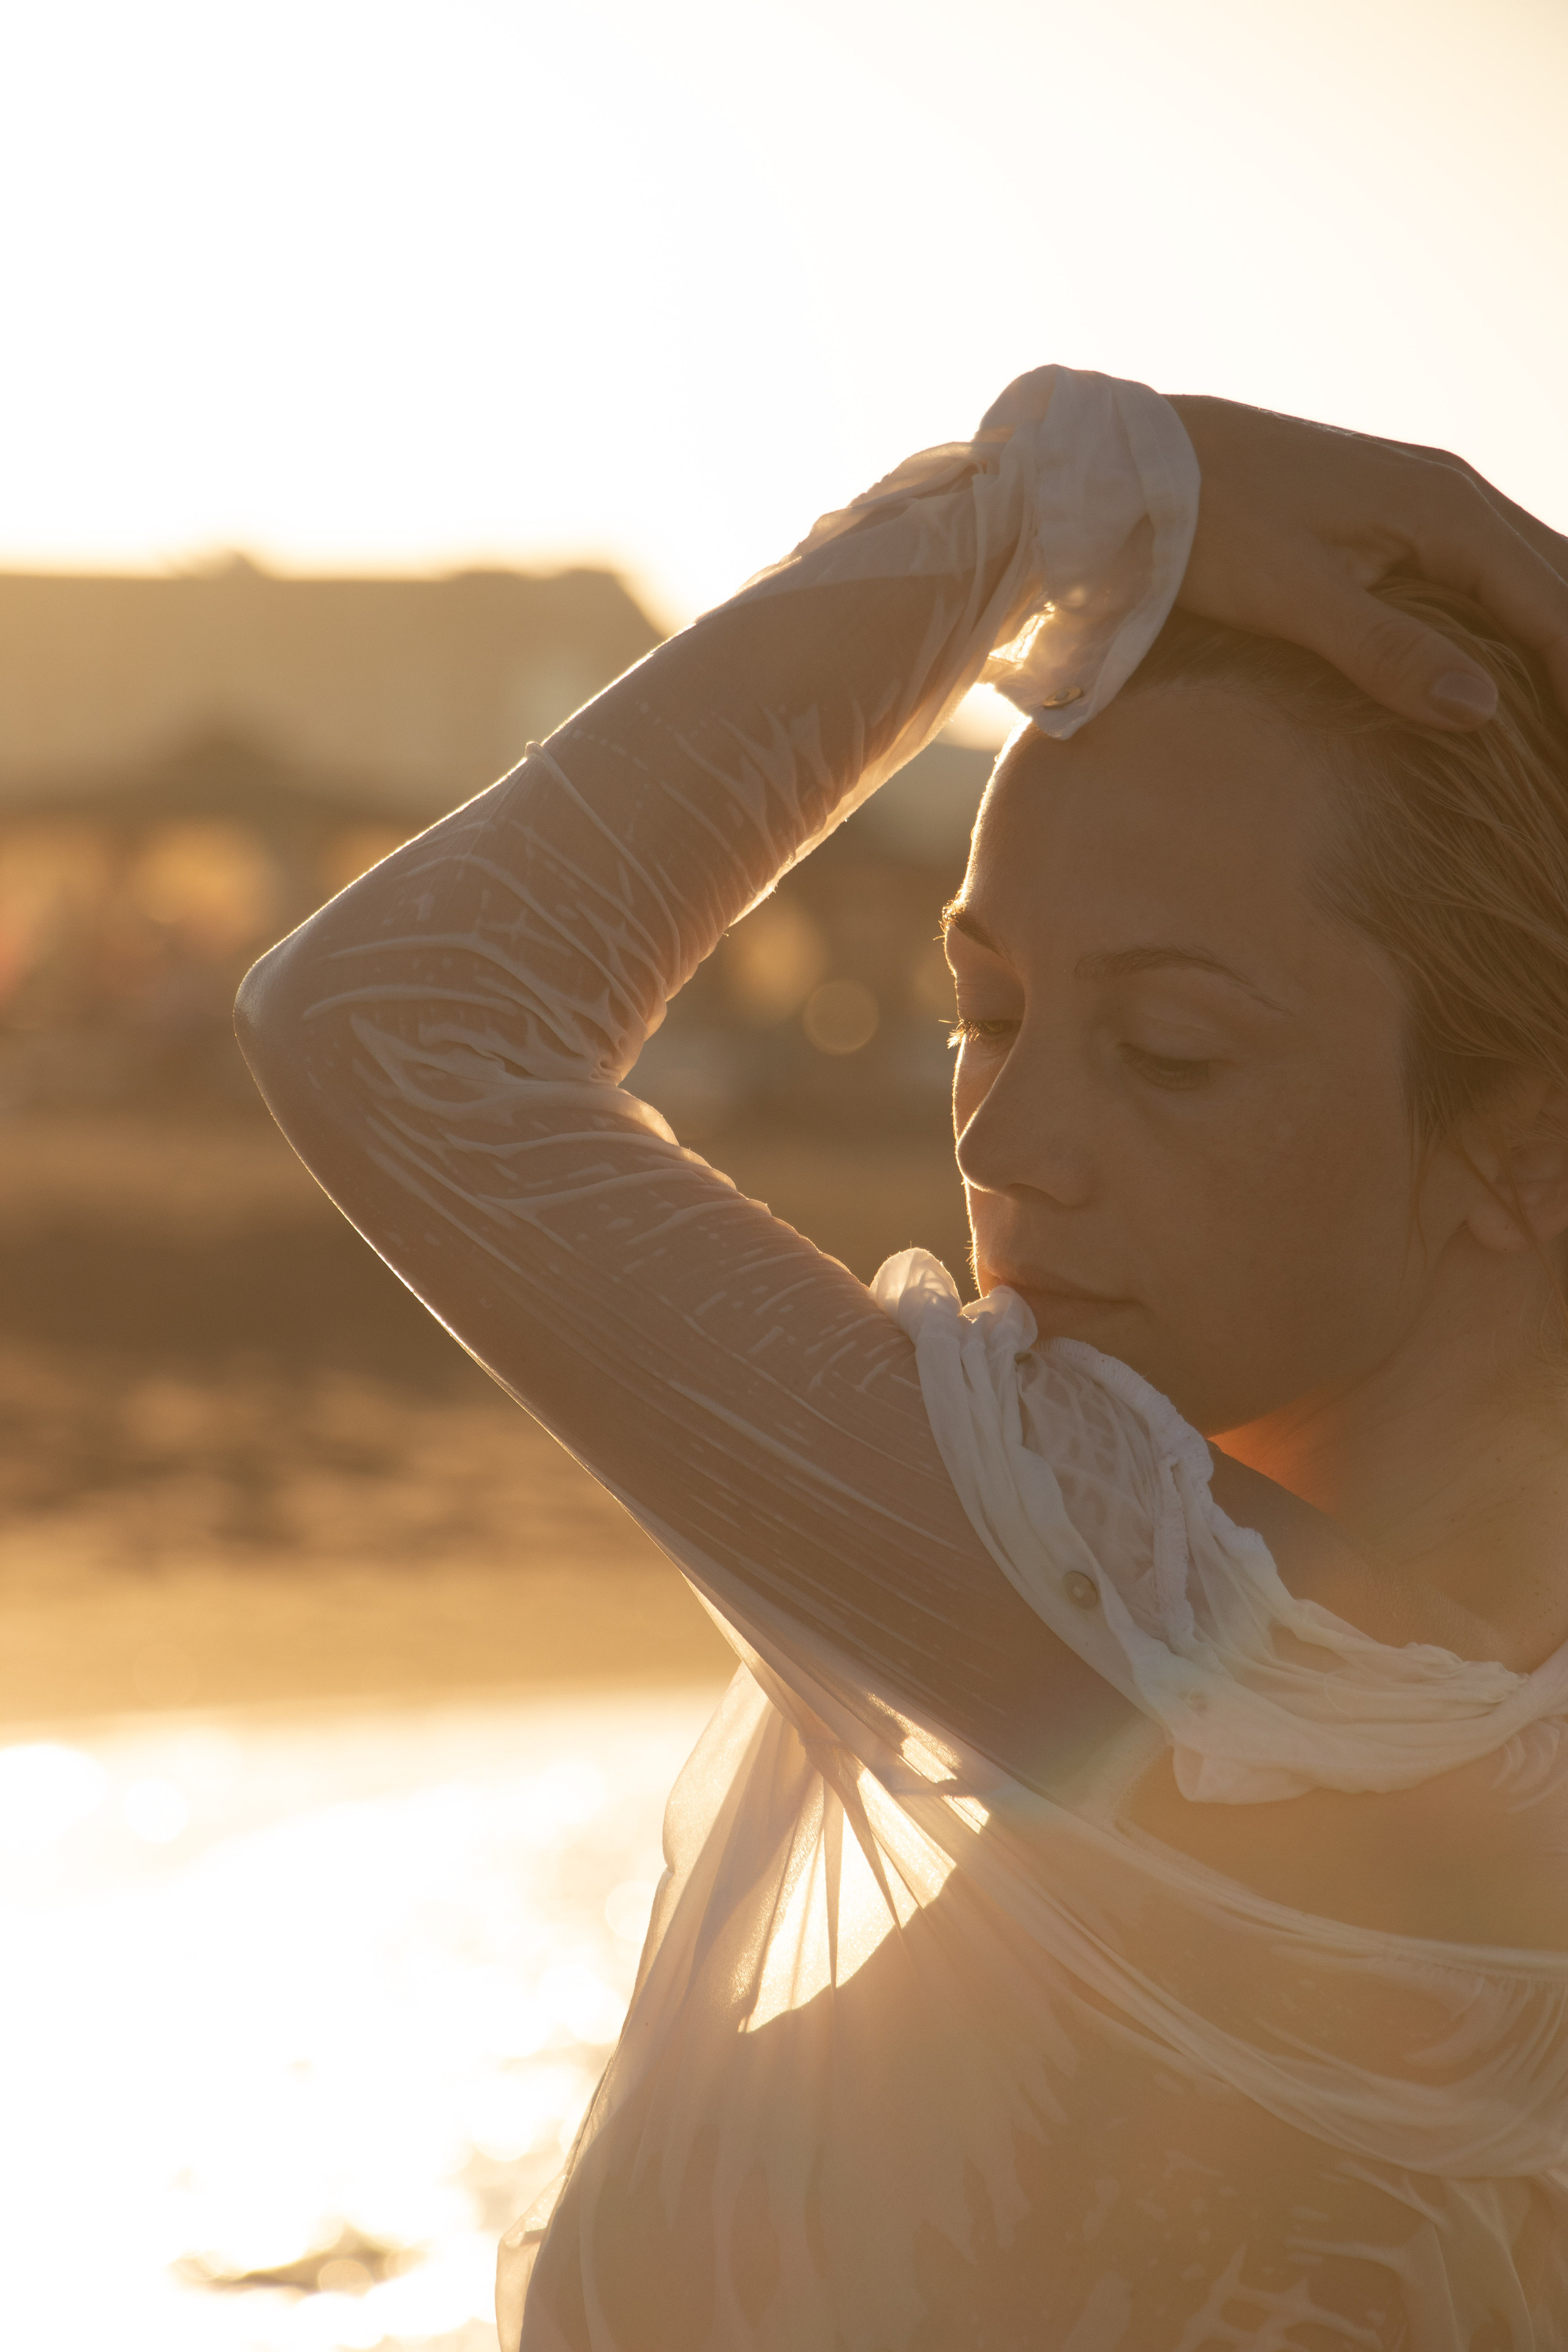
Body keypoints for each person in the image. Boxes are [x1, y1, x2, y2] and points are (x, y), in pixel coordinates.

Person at [238, 368, 1568, 2348]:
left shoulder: (1178, 1642)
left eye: (1172, 1052)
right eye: (986, 1009)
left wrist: (1065, 496)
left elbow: (401, 1021)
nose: (1006, 1144)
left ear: (1524, 1139)